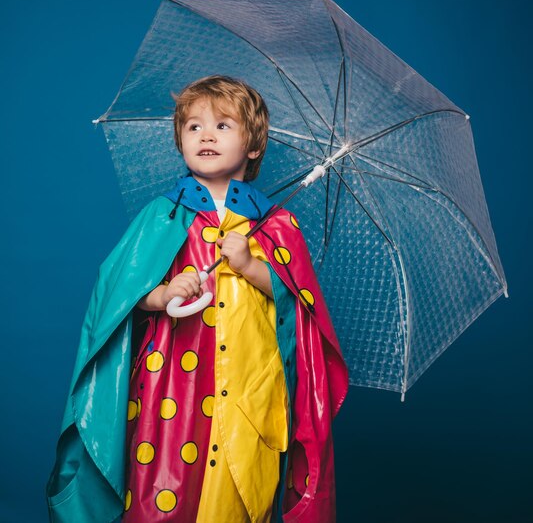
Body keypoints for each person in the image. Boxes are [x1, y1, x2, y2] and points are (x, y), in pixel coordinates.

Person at [46, 75, 348, 523]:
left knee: (238, 494)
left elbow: (301, 306)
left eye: (224, 126)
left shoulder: (276, 224)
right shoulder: (163, 215)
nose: (206, 135)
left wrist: (249, 265)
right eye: (193, 127)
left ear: (253, 146)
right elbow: (118, 295)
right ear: (181, 141)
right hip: (172, 386)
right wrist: (164, 292)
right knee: (162, 490)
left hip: (248, 388)